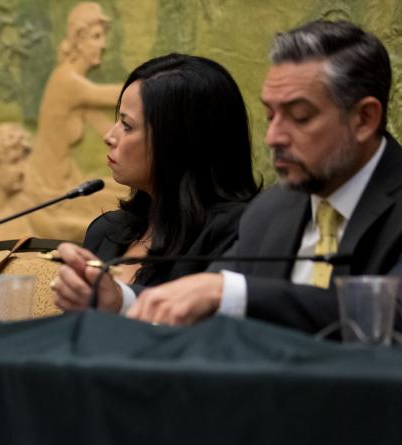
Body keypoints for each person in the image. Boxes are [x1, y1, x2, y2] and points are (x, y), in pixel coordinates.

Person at [126, 20, 402, 333]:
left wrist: (233, 293)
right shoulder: (271, 209)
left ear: (364, 119)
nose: (273, 137)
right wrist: (120, 299)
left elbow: (393, 315)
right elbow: (201, 301)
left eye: (300, 117)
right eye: (271, 116)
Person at [51, 54, 259, 312]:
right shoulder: (105, 231)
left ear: (179, 142)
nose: (109, 136)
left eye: (127, 126)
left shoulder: (236, 235)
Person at [12, 2, 126, 241]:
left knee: (122, 192)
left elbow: (107, 129)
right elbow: (121, 96)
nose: (103, 45)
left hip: (67, 179)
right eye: (96, 37)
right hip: (48, 191)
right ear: (79, 39)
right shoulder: (67, 81)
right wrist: (161, 85)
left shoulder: (77, 89)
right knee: (115, 215)